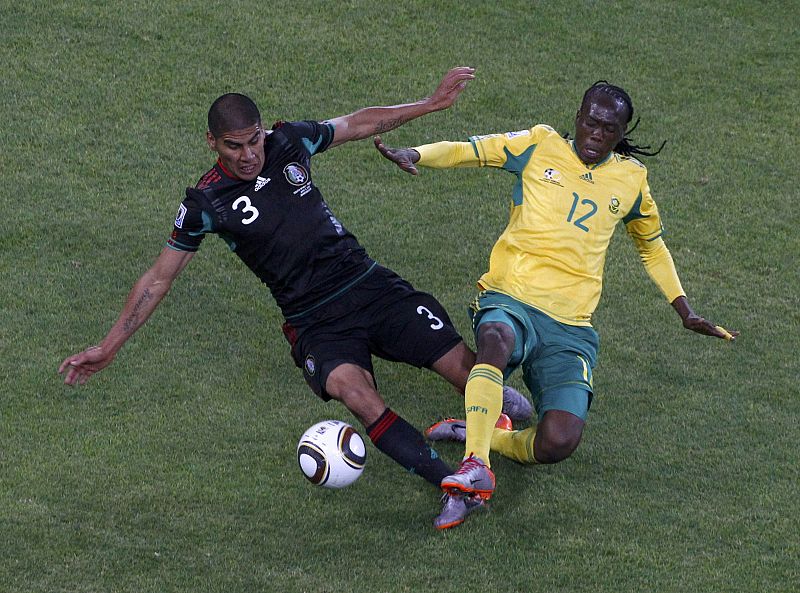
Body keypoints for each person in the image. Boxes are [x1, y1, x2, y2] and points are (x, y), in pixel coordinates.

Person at [58, 67, 533, 523]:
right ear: (212, 144)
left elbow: (357, 122)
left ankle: (487, 416)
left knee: (466, 373)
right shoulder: (206, 203)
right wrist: (108, 346)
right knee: (356, 394)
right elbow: (158, 279)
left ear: (263, 131)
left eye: (254, 140)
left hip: (368, 285)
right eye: (234, 146)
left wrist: (430, 104)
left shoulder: (288, 140)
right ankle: (456, 486)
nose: (248, 155)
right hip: (314, 322)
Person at [375, 80, 739, 529]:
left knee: (558, 442)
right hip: (512, 295)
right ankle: (476, 463)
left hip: (571, 325)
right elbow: (473, 150)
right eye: (590, 122)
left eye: (609, 128)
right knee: (495, 338)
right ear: (578, 117)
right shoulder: (539, 145)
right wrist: (416, 153)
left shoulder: (631, 181)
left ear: (621, 132)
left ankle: (487, 433)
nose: (596, 134)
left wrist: (683, 308)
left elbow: (652, 245)